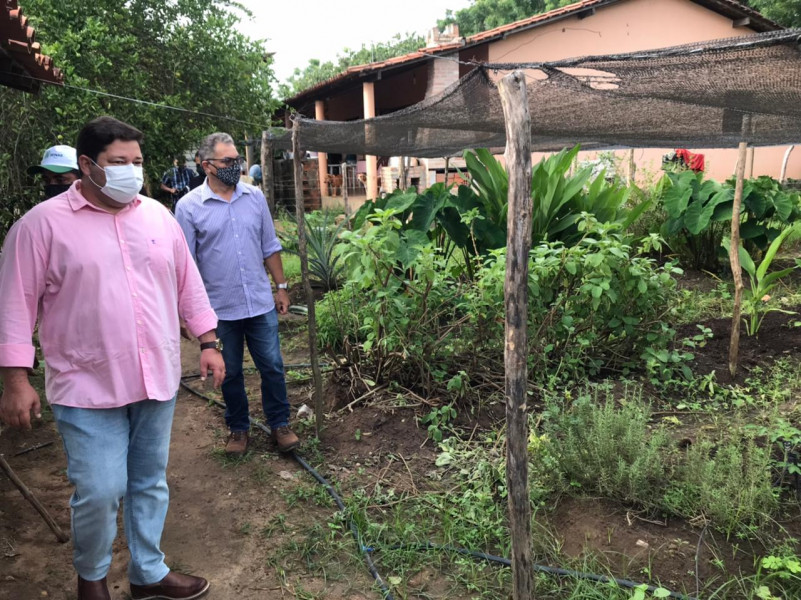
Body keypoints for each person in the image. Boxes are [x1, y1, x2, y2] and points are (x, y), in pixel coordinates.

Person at [0, 116, 225, 600]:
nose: (131, 171)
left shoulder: (158, 218)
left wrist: (208, 342)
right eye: (118, 162)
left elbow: (188, 284)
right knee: (100, 492)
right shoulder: (40, 227)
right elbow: (14, 304)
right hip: (87, 384)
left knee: (149, 482)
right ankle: (92, 579)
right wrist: (16, 381)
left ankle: (148, 573)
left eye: (137, 162)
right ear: (86, 165)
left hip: (155, 377)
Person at [175, 132, 299, 456]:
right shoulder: (188, 208)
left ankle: (280, 424)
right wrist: (186, 312)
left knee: (272, 365)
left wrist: (281, 287)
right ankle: (238, 429)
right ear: (207, 166)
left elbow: (269, 245)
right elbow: (185, 264)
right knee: (228, 372)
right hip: (219, 309)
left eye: (238, 160)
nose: (236, 166)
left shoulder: (254, 197)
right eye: (228, 161)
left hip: (259, 303)